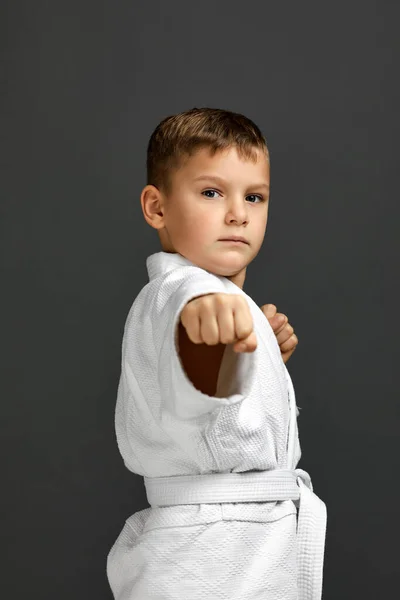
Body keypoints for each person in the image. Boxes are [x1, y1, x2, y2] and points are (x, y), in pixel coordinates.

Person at [106, 107, 327, 600]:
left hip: (220, 545)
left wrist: (256, 357)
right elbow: (195, 386)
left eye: (254, 196)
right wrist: (209, 338)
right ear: (156, 207)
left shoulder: (212, 295)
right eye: (211, 192)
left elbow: (206, 409)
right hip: (215, 554)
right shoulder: (187, 295)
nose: (238, 213)